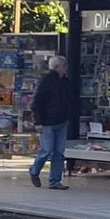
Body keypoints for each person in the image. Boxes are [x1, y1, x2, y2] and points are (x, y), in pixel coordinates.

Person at [29, 55, 71, 190]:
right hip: (47, 122)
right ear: (57, 67)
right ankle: (34, 171)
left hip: (62, 121)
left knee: (59, 152)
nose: (66, 68)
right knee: (46, 149)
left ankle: (55, 181)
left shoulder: (65, 82)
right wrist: (38, 122)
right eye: (64, 66)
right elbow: (36, 102)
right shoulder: (46, 80)